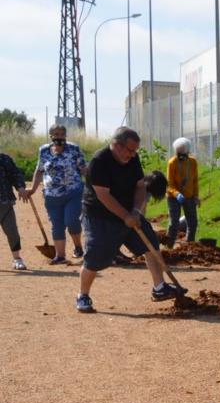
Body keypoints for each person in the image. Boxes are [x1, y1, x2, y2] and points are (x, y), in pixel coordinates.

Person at [76, 127, 180, 313]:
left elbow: (140, 186)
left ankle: (159, 288)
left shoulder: (132, 159)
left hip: (128, 213)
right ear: (116, 145)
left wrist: (135, 212)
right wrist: (125, 216)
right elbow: (103, 195)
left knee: (151, 244)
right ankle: (83, 295)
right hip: (100, 216)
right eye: (130, 150)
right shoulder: (99, 161)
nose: (133, 155)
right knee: (95, 258)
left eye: (135, 151)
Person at [26, 124, 87, 263]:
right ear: (50, 136)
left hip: (73, 191)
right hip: (51, 195)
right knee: (57, 225)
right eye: (55, 134)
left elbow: (83, 168)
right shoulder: (44, 150)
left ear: (65, 136)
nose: (58, 137)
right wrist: (33, 189)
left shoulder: (73, 149)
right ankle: (60, 256)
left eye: (61, 134)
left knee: (71, 220)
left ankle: (78, 246)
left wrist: (93, 185)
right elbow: (39, 170)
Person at [165, 137, 199, 244]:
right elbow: (169, 184)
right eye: (177, 153)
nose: (180, 156)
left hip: (189, 195)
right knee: (174, 222)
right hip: (173, 196)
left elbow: (195, 181)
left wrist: (196, 196)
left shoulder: (193, 162)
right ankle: (169, 245)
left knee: (192, 222)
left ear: (188, 152)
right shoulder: (172, 163)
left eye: (182, 153)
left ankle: (190, 244)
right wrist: (177, 194)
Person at [0, 150, 28, 270]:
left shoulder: (4, 159)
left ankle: (17, 258)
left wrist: (20, 187)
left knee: (11, 230)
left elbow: (15, 174)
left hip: (5, 202)